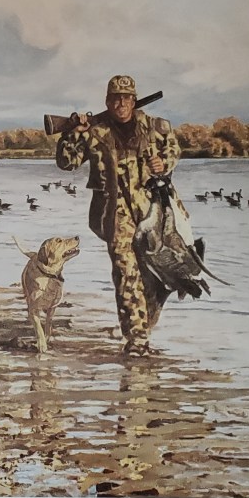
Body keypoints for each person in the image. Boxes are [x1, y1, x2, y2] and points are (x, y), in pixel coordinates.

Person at [56, 74, 187, 356]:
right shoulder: (94, 131)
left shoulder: (155, 127)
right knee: (126, 272)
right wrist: (73, 130)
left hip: (153, 211)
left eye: (126, 98)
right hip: (115, 213)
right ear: (107, 101)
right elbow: (67, 162)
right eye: (115, 99)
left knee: (156, 276)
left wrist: (163, 163)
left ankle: (143, 325)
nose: (121, 104)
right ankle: (137, 340)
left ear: (134, 100)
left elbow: (174, 150)